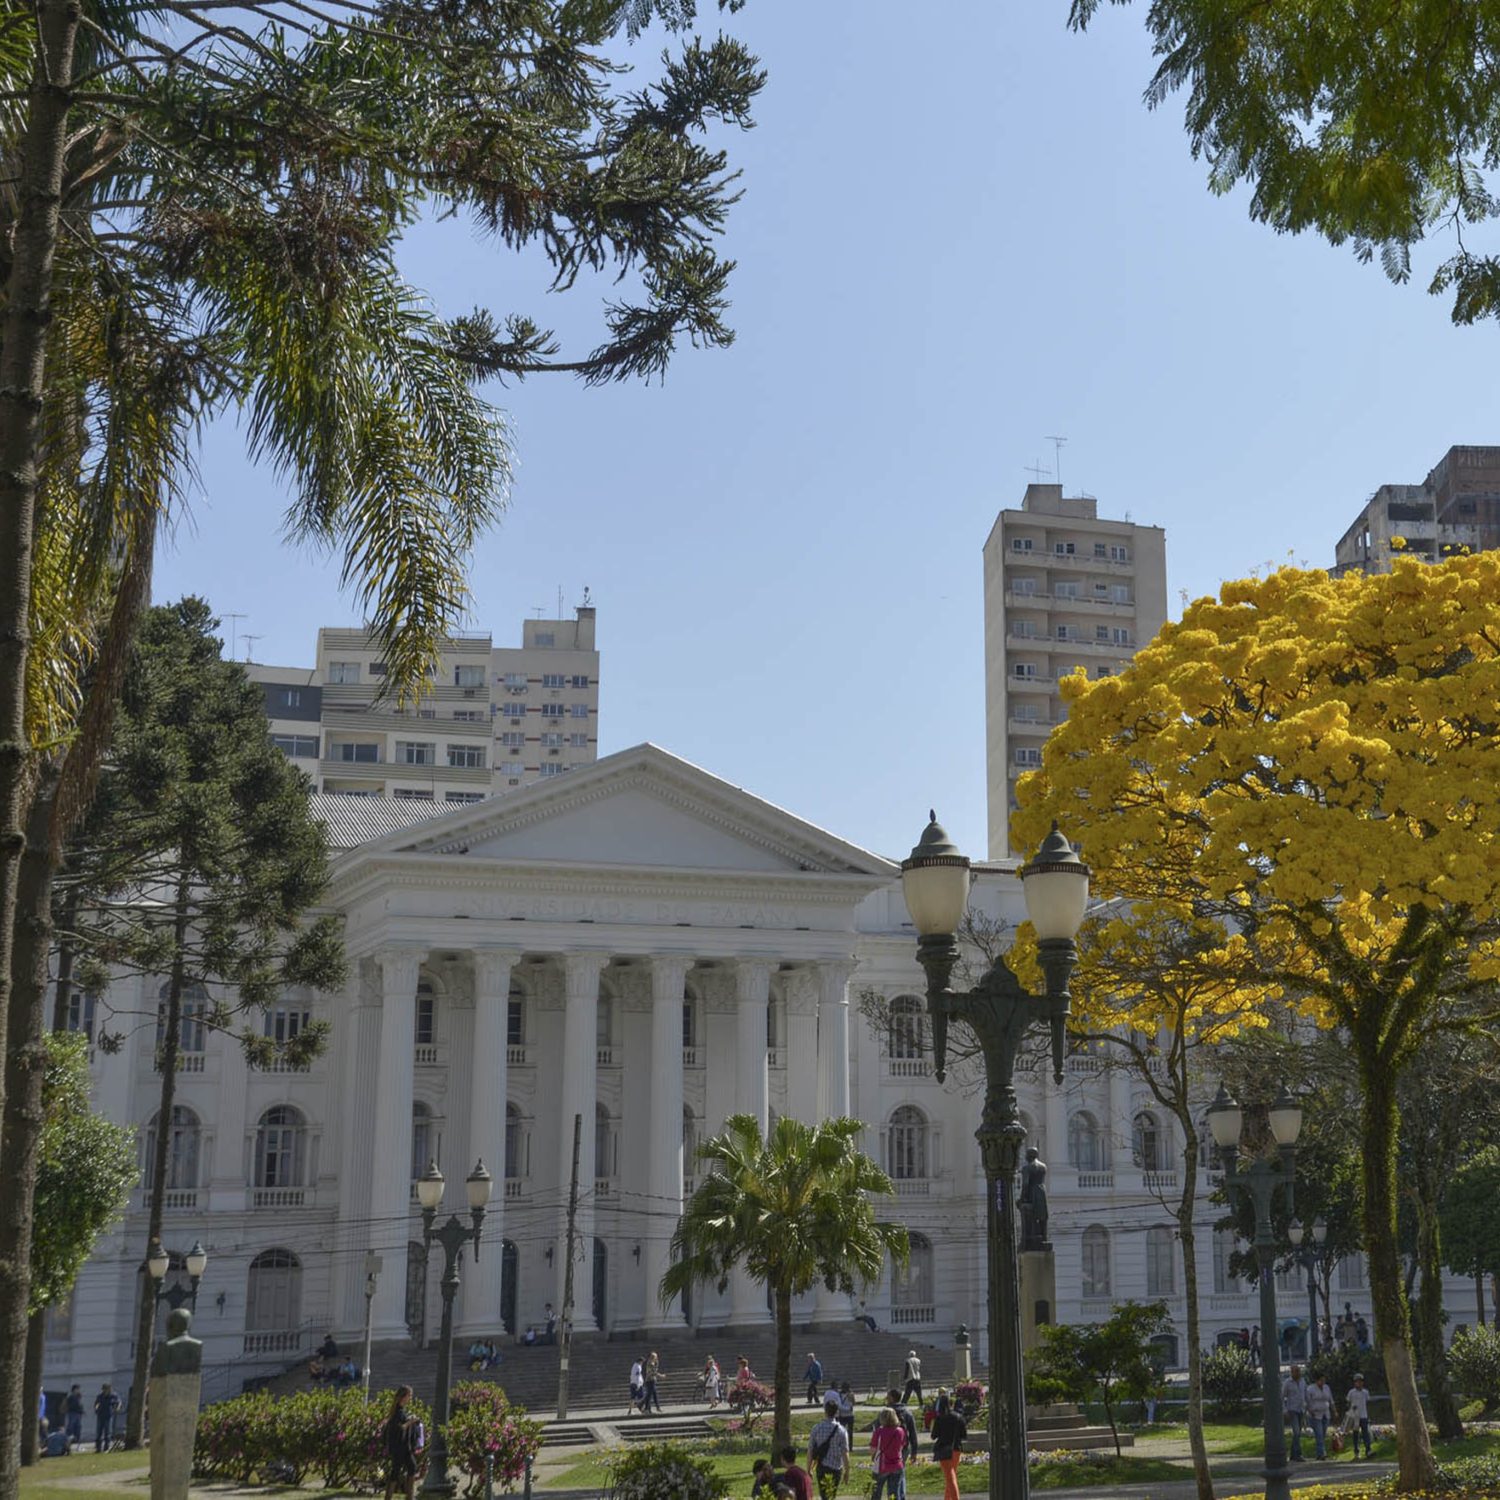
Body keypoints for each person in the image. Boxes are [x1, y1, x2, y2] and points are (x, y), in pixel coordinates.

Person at [807, 1395, 850, 1498]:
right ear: (836, 1412)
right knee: (832, 1494)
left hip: (822, 1466)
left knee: (824, 1495)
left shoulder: (816, 1428)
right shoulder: (841, 1430)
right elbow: (845, 1453)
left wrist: (809, 1468)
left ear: (825, 1411)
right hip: (836, 1467)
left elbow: (810, 1450)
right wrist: (847, 1471)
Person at [382, 1386, 420, 1500]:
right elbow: (401, 1427)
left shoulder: (402, 1410)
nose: (410, 1398)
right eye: (409, 1395)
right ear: (403, 1397)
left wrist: (410, 1419)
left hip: (405, 1446)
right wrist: (411, 1421)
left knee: (412, 1467)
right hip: (398, 1447)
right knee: (395, 1471)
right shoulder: (397, 1411)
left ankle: (409, 1496)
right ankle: (389, 1497)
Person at [929, 1392, 966, 1500]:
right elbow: (964, 1435)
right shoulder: (959, 1417)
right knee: (951, 1476)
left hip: (944, 1449)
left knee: (950, 1477)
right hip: (956, 1448)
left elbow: (933, 1436)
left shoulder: (940, 1419)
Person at [887, 1389, 919, 1498]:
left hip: (889, 1447)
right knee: (901, 1470)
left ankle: (895, 1496)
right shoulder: (907, 1412)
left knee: (892, 1474)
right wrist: (914, 1451)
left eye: (888, 1396)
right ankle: (902, 1495)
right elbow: (913, 1433)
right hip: (904, 1447)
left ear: (892, 1397)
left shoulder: (887, 1412)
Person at [870, 1408, 906, 1500]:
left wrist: (873, 1457)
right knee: (894, 1493)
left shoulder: (879, 1431)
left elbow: (872, 1449)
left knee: (876, 1493)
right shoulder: (900, 1431)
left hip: (882, 1465)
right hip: (897, 1464)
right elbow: (902, 1446)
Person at [1281, 1363, 1308, 1460]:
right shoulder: (1287, 1383)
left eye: (1299, 1371)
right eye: (1296, 1371)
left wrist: (1307, 1407)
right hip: (1292, 1409)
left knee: (1298, 1433)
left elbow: (1305, 1394)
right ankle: (1298, 1454)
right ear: (1292, 1372)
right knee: (1296, 1432)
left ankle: (1292, 1454)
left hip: (1301, 1409)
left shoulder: (1303, 1381)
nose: (1298, 1373)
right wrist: (1284, 1410)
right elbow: (1282, 1397)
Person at [1305, 1372, 1335, 1459]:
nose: (1322, 1382)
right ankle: (1322, 1453)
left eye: (1324, 1380)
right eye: (1321, 1380)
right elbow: (1307, 1402)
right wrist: (1310, 1411)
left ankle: (1319, 1453)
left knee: (1323, 1433)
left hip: (1325, 1413)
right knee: (1319, 1434)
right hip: (1315, 1414)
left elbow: (1330, 1400)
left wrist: (1334, 1411)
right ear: (1317, 1380)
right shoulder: (1310, 1389)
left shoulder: (1327, 1388)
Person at [1344, 1373, 1372, 1459]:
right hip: (1355, 1416)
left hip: (1363, 1415)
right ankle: (1356, 1452)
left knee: (1365, 1433)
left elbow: (1367, 1402)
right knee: (1356, 1434)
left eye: (1360, 1382)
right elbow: (1348, 1402)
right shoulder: (1351, 1392)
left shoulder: (1365, 1392)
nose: (1358, 1383)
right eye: (1356, 1382)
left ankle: (1368, 1450)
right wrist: (1350, 1412)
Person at [93, 1385, 118, 1453]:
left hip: (109, 1416)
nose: (107, 1390)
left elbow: (117, 1403)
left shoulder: (113, 1396)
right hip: (100, 1416)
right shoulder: (100, 1396)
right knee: (99, 1433)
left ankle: (106, 1448)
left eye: (108, 1389)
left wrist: (116, 1408)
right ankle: (98, 1448)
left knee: (107, 1433)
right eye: (105, 1389)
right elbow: (96, 1404)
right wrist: (96, 1409)